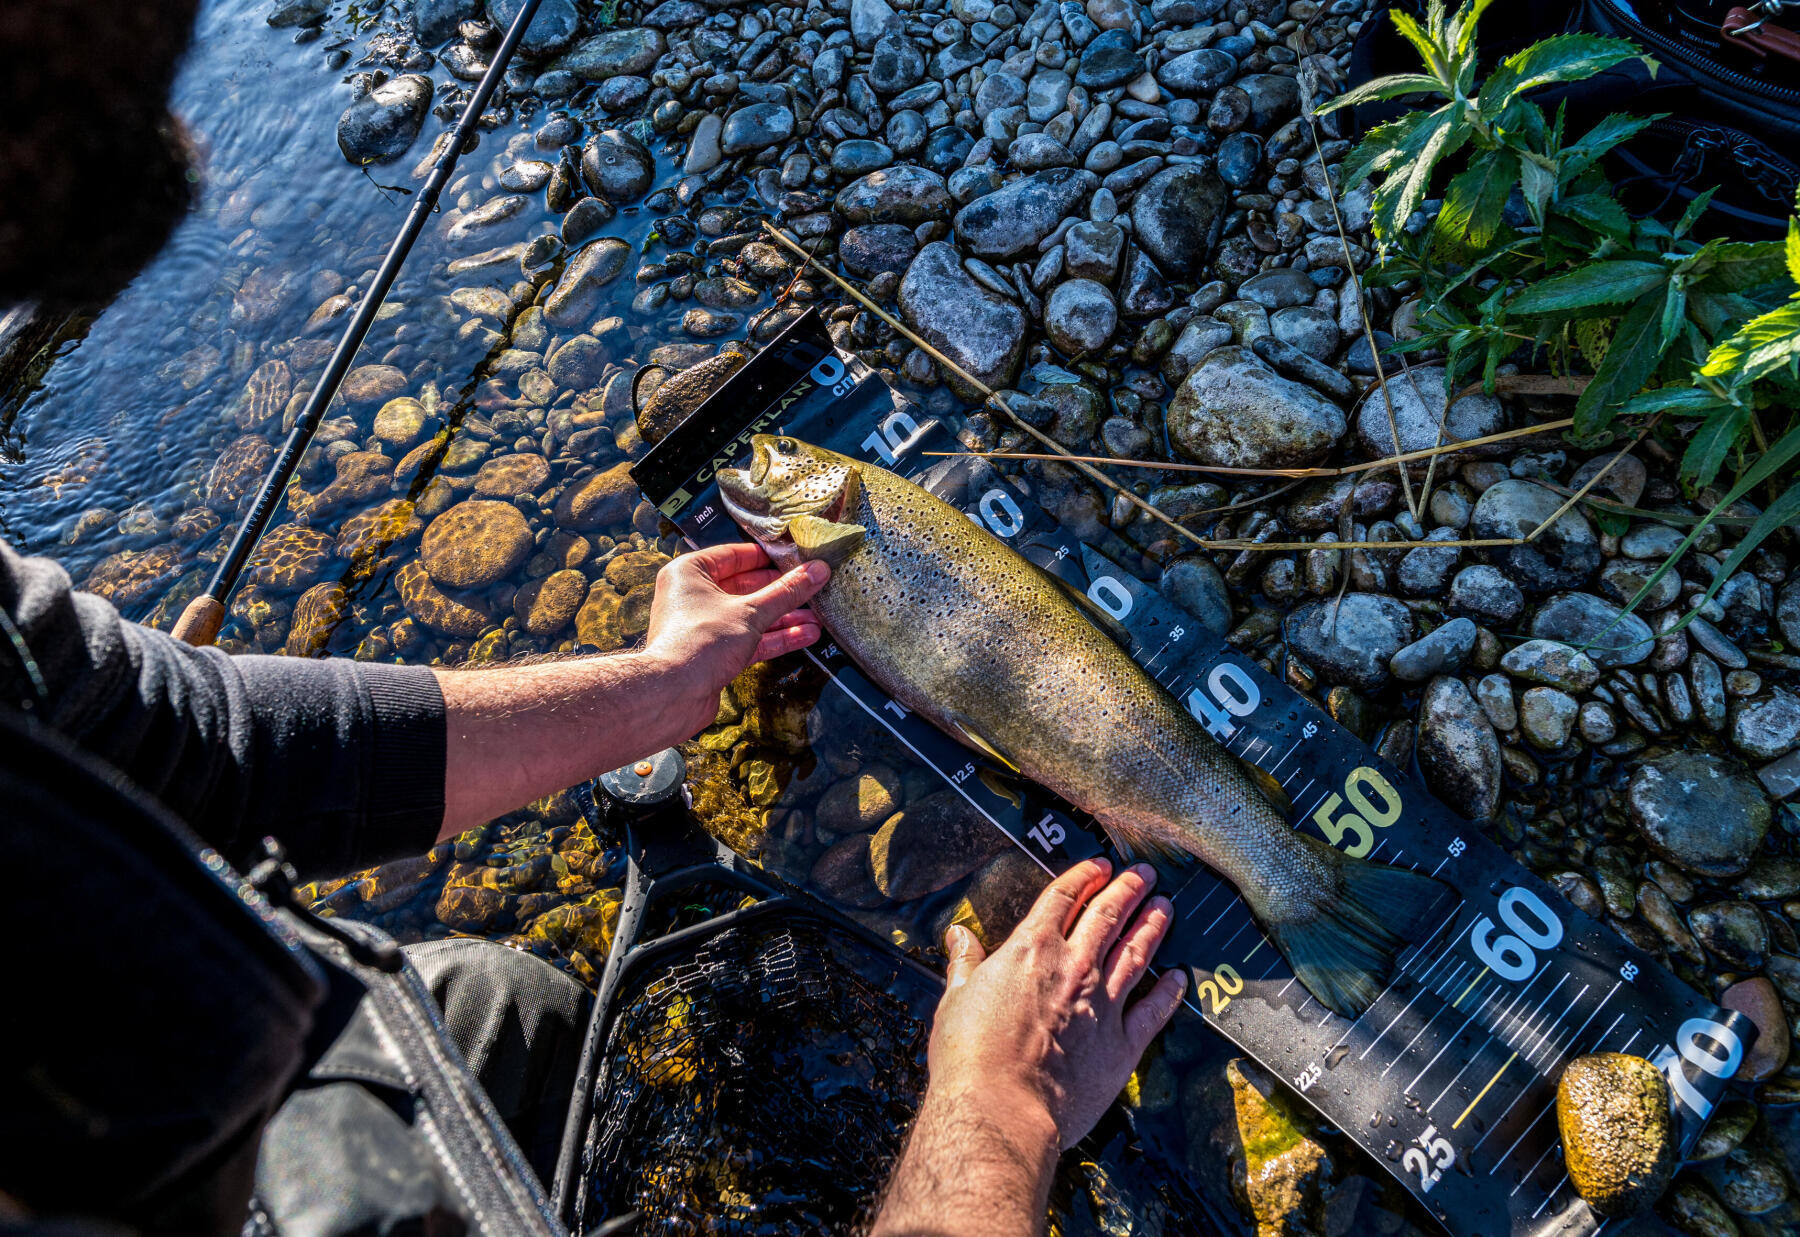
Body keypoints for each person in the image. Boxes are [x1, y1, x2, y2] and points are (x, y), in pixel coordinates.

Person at [0, 1, 1186, 1232]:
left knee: (505, 1011)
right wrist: (998, 1110)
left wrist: (649, 687)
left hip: (226, 1068)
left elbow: (187, 741)